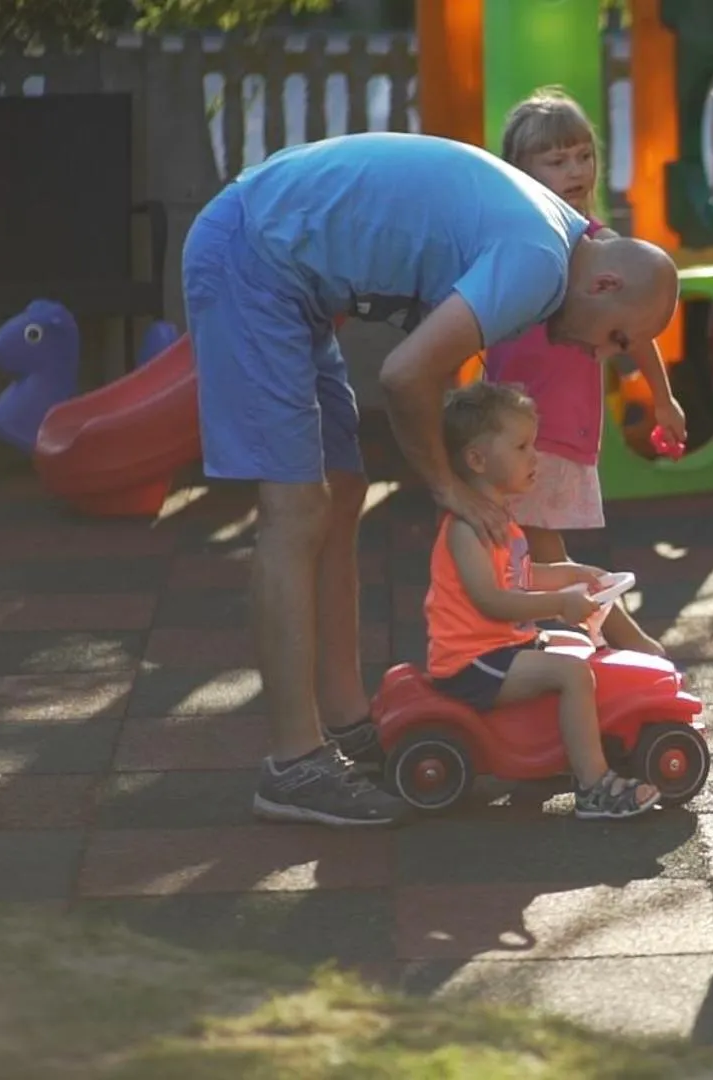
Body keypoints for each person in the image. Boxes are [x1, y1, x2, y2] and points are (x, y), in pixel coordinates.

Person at [182, 131, 679, 828]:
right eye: (617, 339)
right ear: (601, 285)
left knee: (343, 490)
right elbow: (406, 373)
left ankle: (348, 720)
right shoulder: (539, 261)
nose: (602, 354)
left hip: (281, 257)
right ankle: (294, 766)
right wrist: (447, 485)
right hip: (252, 255)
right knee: (296, 508)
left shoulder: (568, 234)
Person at [485, 87, 684, 656]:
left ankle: (628, 639)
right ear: (519, 170)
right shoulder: (513, 242)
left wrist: (663, 397)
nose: (575, 170)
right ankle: (543, 635)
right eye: (556, 159)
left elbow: (636, 327)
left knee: (539, 549)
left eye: (583, 155)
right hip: (509, 423)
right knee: (513, 546)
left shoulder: (599, 250)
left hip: (550, 429)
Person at [425, 381, 660, 819]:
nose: (534, 456)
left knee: (577, 651)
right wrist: (558, 607)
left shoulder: (499, 519)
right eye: (521, 446)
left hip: (499, 649)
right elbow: (492, 601)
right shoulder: (466, 528)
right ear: (477, 459)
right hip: (472, 661)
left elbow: (522, 576)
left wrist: (576, 574)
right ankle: (594, 786)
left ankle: (566, 747)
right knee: (572, 674)